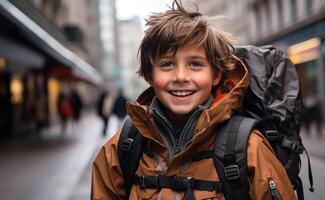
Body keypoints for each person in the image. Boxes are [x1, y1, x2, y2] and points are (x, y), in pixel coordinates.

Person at [91, 1, 296, 199]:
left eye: (195, 64)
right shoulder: (122, 147)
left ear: (216, 75)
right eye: (167, 64)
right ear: (150, 75)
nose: (181, 76)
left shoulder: (249, 148)